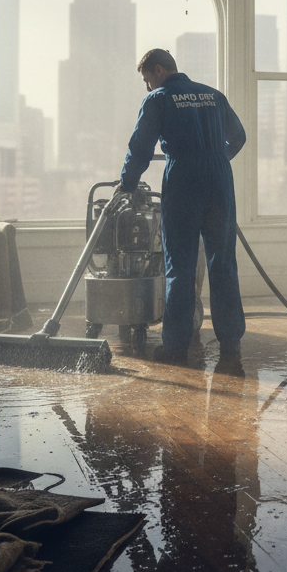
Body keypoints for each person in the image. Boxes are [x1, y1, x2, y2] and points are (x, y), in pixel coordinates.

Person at [118, 49, 246, 362]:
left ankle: (175, 347)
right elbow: (239, 137)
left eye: (147, 80)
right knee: (223, 262)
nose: (147, 86)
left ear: (158, 70)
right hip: (219, 179)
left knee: (181, 264)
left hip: (184, 180)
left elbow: (141, 147)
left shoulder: (158, 98)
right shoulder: (213, 95)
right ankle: (231, 342)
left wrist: (128, 182)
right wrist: (215, 158)